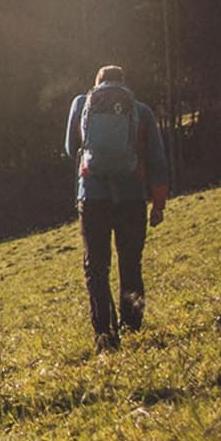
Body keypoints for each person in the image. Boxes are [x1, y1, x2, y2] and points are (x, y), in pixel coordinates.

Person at [63, 64, 171, 350]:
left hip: (92, 195)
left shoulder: (81, 103)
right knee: (130, 261)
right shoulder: (140, 110)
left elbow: (69, 147)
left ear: (97, 83)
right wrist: (158, 203)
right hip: (131, 196)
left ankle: (105, 333)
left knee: (96, 266)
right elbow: (157, 159)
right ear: (124, 84)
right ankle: (132, 323)